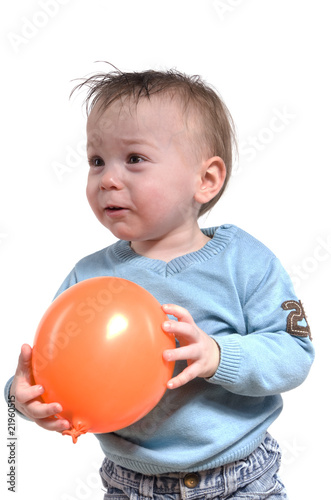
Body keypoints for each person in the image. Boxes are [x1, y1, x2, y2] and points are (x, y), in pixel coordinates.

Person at [5, 67, 315, 499]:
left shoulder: (245, 261)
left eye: (134, 159)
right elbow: (52, 365)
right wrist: (23, 397)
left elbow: (294, 352)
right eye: (97, 161)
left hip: (240, 476)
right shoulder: (89, 278)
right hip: (131, 483)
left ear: (205, 180)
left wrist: (218, 354)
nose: (108, 178)